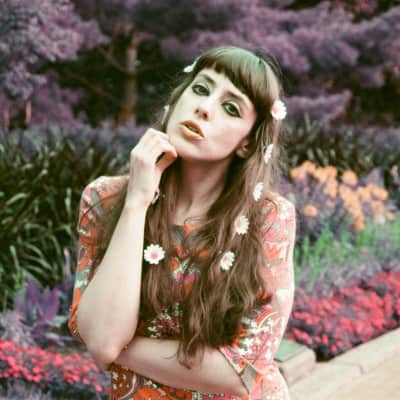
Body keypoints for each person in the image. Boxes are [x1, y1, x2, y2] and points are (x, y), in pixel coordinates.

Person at [68, 45, 297, 400]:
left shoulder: (267, 218)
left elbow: (241, 372)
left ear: (247, 143)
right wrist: (136, 203)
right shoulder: (105, 200)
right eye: (201, 89)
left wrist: (116, 349)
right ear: (177, 99)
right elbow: (101, 337)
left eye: (231, 107)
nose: (204, 108)